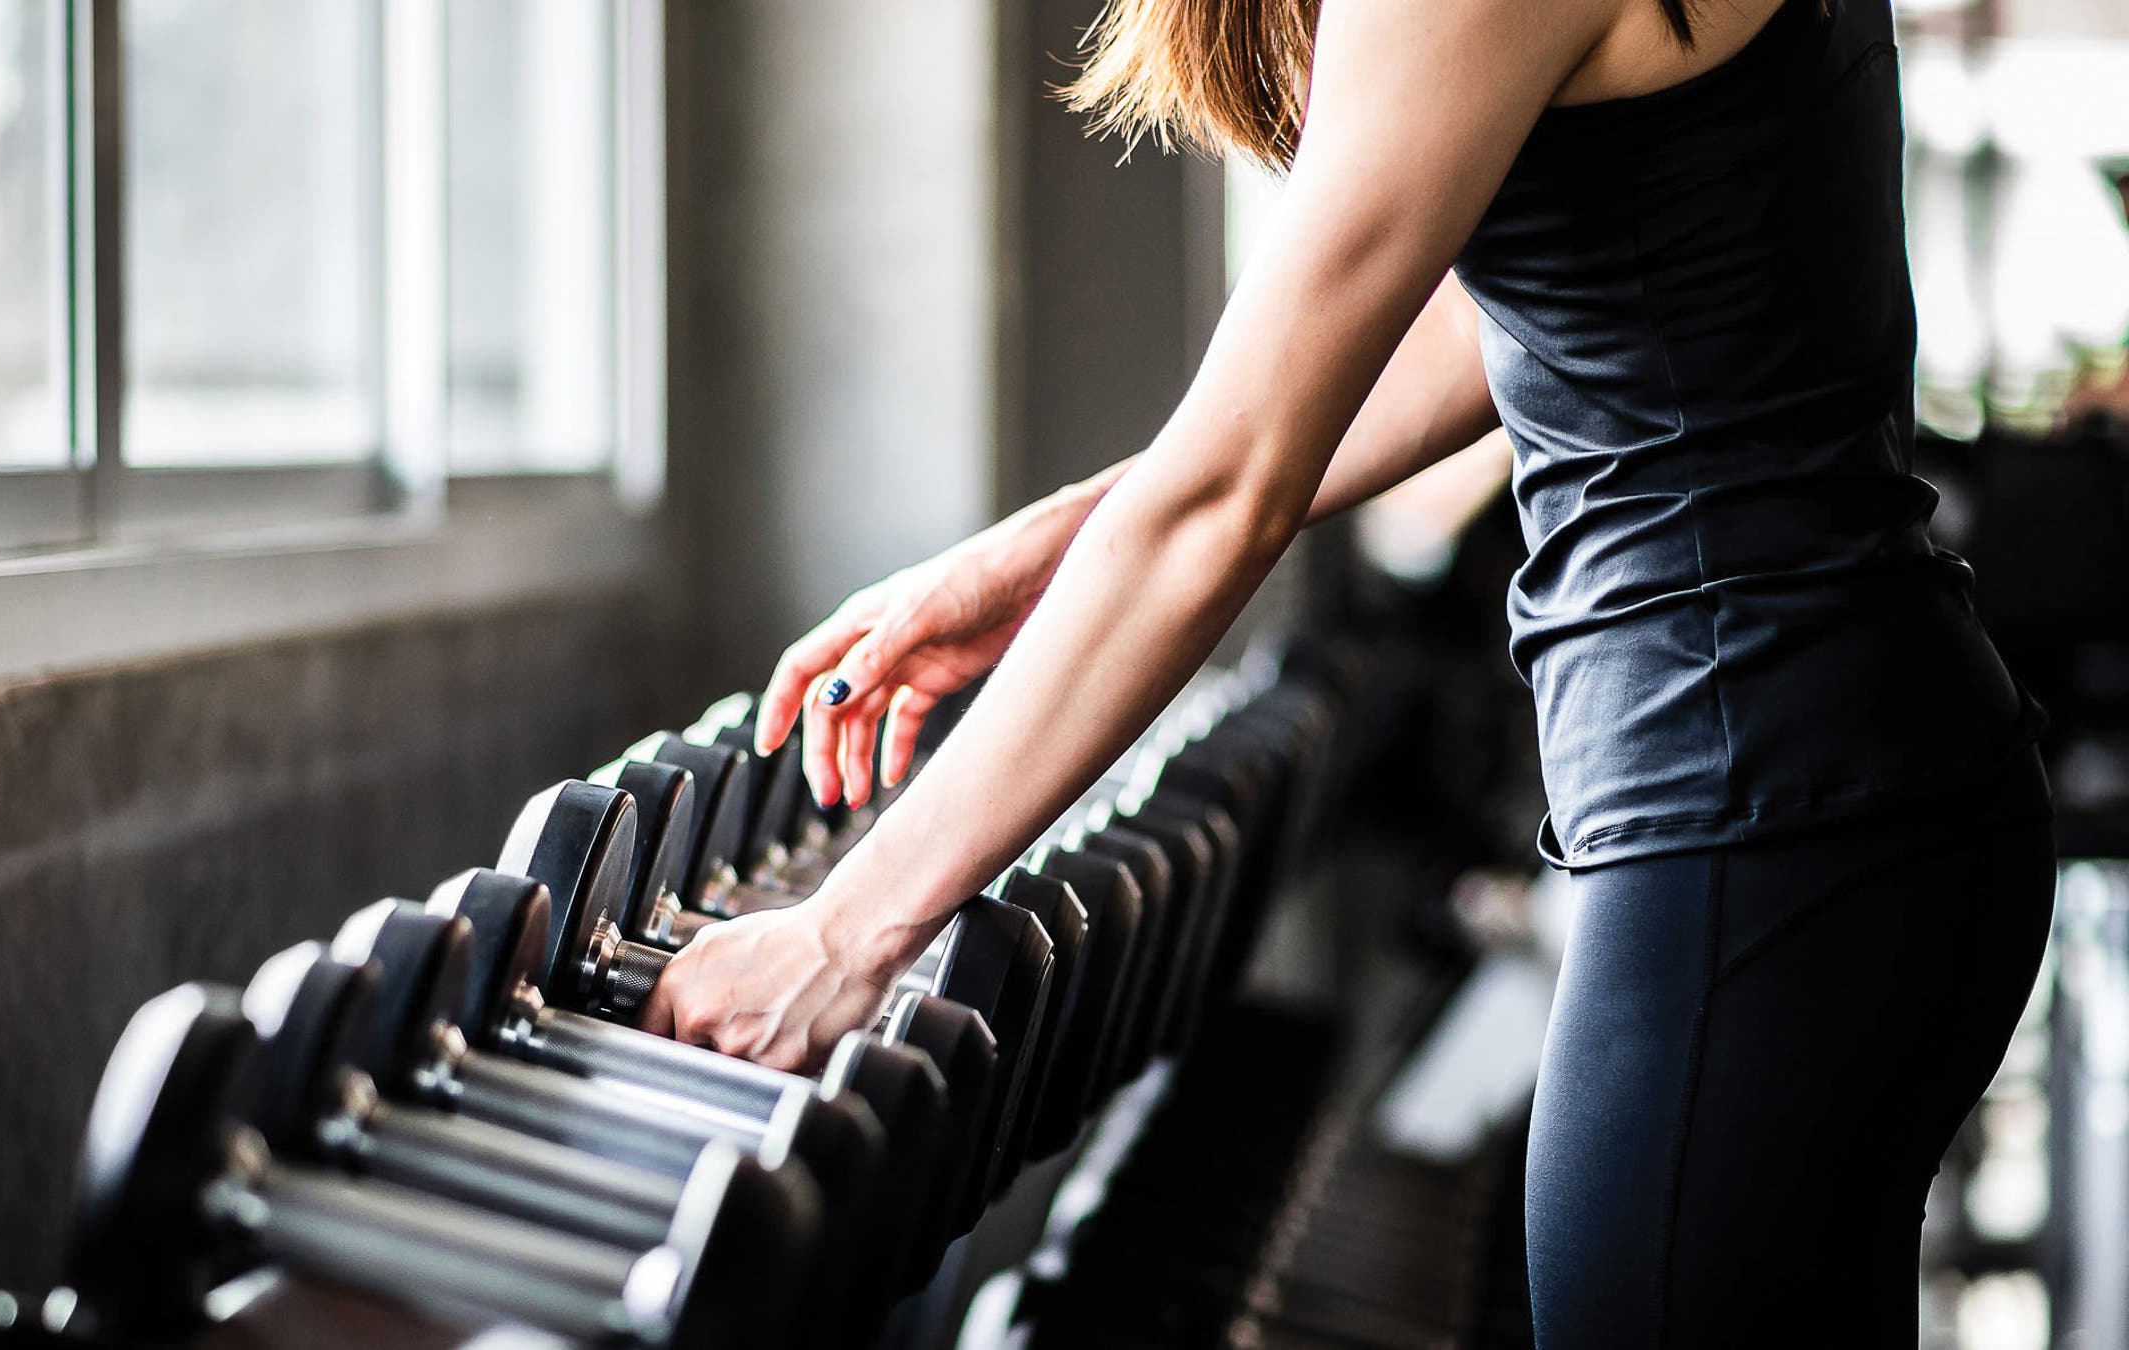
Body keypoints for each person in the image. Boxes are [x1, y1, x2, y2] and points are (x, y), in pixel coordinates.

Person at [635, 0, 2057, 1341]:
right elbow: (1503, 301)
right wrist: (1066, 542)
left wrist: (844, 934)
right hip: (1884, 788)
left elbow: (1224, 498)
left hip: (1755, 830)